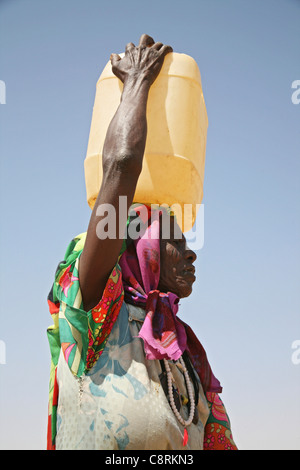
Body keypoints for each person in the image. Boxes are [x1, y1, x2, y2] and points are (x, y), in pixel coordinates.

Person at [46, 34, 237, 451]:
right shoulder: (96, 315)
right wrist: (137, 84)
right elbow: (121, 165)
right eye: (172, 240)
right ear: (136, 248)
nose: (190, 253)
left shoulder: (185, 354)